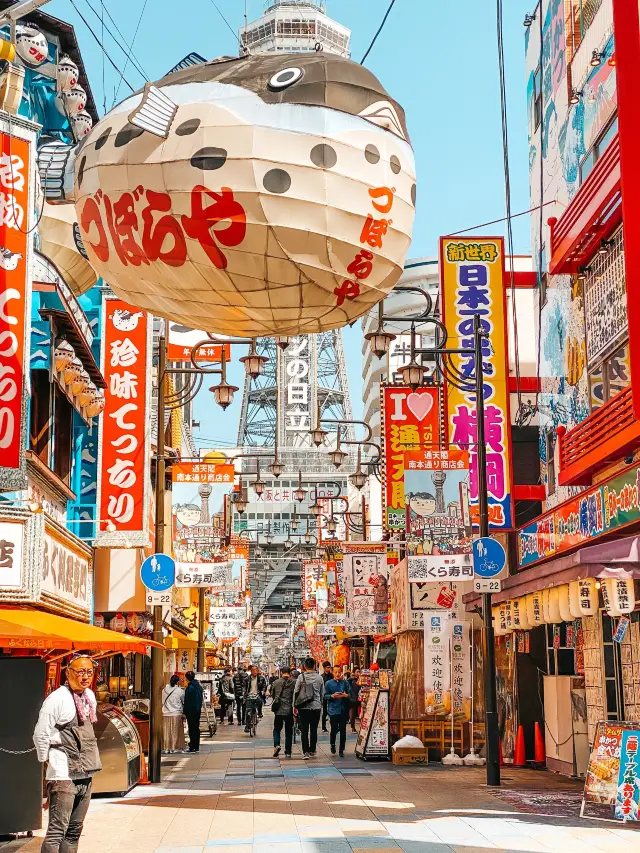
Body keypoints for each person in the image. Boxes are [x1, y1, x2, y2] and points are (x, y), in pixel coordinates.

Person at [33, 654, 102, 853]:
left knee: (74, 831)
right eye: (80, 672)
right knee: (57, 832)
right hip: (63, 774)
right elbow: (41, 733)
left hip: (85, 772)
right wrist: (47, 761)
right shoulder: (57, 699)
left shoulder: (89, 696)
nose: (85, 677)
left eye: (89, 672)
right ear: (68, 672)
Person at [293, 657, 324, 759]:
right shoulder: (319, 678)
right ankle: (312, 749)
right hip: (316, 707)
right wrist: (320, 704)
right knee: (314, 729)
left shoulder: (301, 677)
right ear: (314, 666)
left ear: (305, 666)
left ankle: (305, 752)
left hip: (304, 707)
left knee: (304, 729)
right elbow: (321, 693)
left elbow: (296, 692)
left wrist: (294, 705)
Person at [325, 665, 350, 757]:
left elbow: (350, 695)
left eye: (339, 672)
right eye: (335, 672)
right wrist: (332, 696)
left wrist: (346, 696)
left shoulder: (345, 683)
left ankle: (341, 749)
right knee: (334, 729)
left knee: (343, 730)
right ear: (332, 672)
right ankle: (332, 744)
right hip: (333, 710)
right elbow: (325, 696)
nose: (337, 674)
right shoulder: (328, 683)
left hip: (343, 710)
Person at [270, 666, 295, 758]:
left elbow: (273, 695)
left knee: (277, 729)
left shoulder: (276, 682)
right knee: (289, 731)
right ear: (290, 673)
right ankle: (288, 752)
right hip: (289, 710)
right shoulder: (294, 682)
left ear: (281, 673)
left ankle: (277, 745)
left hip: (279, 710)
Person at [162, 674, 185, 752]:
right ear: (177, 682)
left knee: (167, 732)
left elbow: (162, 701)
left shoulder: (163, 690)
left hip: (165, 713)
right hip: (176, 713)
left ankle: (166, 748)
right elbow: (183, 701)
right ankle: (174, 747)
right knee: (175, 731)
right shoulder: (180, 691)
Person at [183, 671, 203, 753]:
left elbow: (187, 701)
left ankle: (192, 747)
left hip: (191, 711)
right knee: (196, 728)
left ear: (187, 678)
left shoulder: (190, 688)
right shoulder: (198, 686)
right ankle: (196, 746)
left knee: (191, 729)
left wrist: (184, 712)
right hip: (197, 710)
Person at [244, 665, 267, 732]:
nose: (254, 671)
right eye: (253, 670)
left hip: (258, 695)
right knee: (248, 711)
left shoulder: (261, 678)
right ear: (250, 671)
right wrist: (243, 693)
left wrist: (263, 691)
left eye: (256, 670)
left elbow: (264, 686)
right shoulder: (247, 679)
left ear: (258, 671)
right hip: (249, 695)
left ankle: (259, 712)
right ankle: (247, 726)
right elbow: (244, 687)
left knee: (260, 701)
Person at [348, 668, 361, 732]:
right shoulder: (351, 680)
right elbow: (347, 682)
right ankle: (353, 727)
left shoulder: (361, 679)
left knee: (360, 713)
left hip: (360, 698)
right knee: (352, 714)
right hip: (353, 699)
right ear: (354, 673)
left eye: (359, 671)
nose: (358, 673)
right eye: (357, 672)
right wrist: (351, 678)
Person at [320, 660, 332, 732]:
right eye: (327, 667)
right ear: (324, 668)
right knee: (324, 712)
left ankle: (333, 725)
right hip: (324, 696)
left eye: (329, 667)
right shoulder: (321, 677)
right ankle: (323, 727)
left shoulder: (332, 676)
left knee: (331, 711)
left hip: (331, 695)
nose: (329, 669)